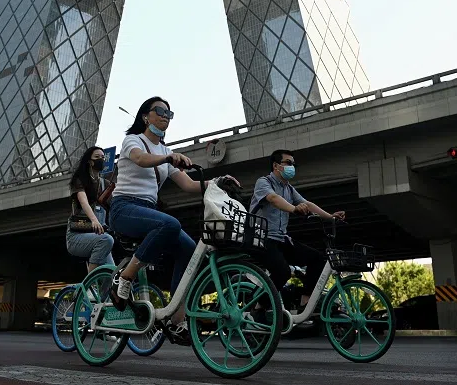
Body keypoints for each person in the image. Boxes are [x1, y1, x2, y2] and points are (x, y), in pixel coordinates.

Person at [108, 96, 239, 345]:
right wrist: (168, 158)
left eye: (169, 113)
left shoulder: (165, 151)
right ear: (146, 116)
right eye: (160, 111)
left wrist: (219, 181)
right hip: (124, 208)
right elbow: (140, 159)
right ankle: (125, 277)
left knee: (190, 251)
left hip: (147, 211)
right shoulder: (133, 141)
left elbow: (189, 184)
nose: (165, 116)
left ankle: (175, 319)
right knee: (170, 223)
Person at [250, 149, 345, 309]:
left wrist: (330, 217)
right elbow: (273, 199)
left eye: (293, 164)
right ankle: (259, 306)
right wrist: (294, 209)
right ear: (276, 166)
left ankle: (305, 302)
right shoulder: (264, 182)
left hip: (281, 239)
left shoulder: (288, 188)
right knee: (283, 272)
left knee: (318, 258)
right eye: (288, 163)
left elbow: (307, 204)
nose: (292, 167)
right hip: (262, 239)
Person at [66, 146, 115, 272]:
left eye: (103, 157)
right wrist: (94, 220)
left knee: (112, 273)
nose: (101, 159)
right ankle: (90, 284)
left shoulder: (106, 185)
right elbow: (84, 202)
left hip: (99, 236)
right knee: (107, 239)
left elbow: (114, 206)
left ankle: (102, 290)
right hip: (77, 235)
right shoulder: (80, 180)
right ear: (89, 161)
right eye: (97, 157)